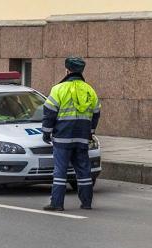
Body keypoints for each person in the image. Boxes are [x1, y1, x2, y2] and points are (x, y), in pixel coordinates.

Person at [42, 57, 101, 211]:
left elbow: (49, 113)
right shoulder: (90, 90)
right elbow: (96, 113)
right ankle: (86, 203)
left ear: (67, 70)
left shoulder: (58, 89)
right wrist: (90, 132)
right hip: (82, 137)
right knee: (84, 171)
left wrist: (46, 133)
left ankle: (57, 203)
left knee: (60, 171)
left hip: (63, 137)